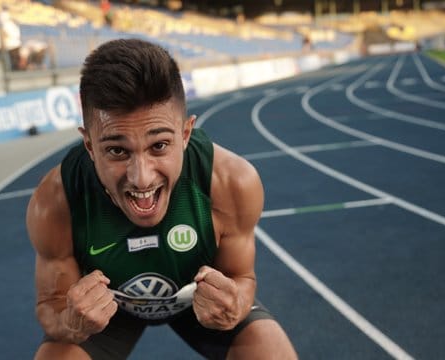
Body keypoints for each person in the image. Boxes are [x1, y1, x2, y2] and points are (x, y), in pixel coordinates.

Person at [26, 38, 297, 359]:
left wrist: (234, 302)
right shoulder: (57, 200)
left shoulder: (231, 182)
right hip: (107, 310)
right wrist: (72, 323)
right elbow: (51, 307)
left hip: (197, 299)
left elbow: (241, 277)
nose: (141, 177)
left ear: (185, 134)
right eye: (116, 150)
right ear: (89, 146)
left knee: (270, 349)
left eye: (159, 146)